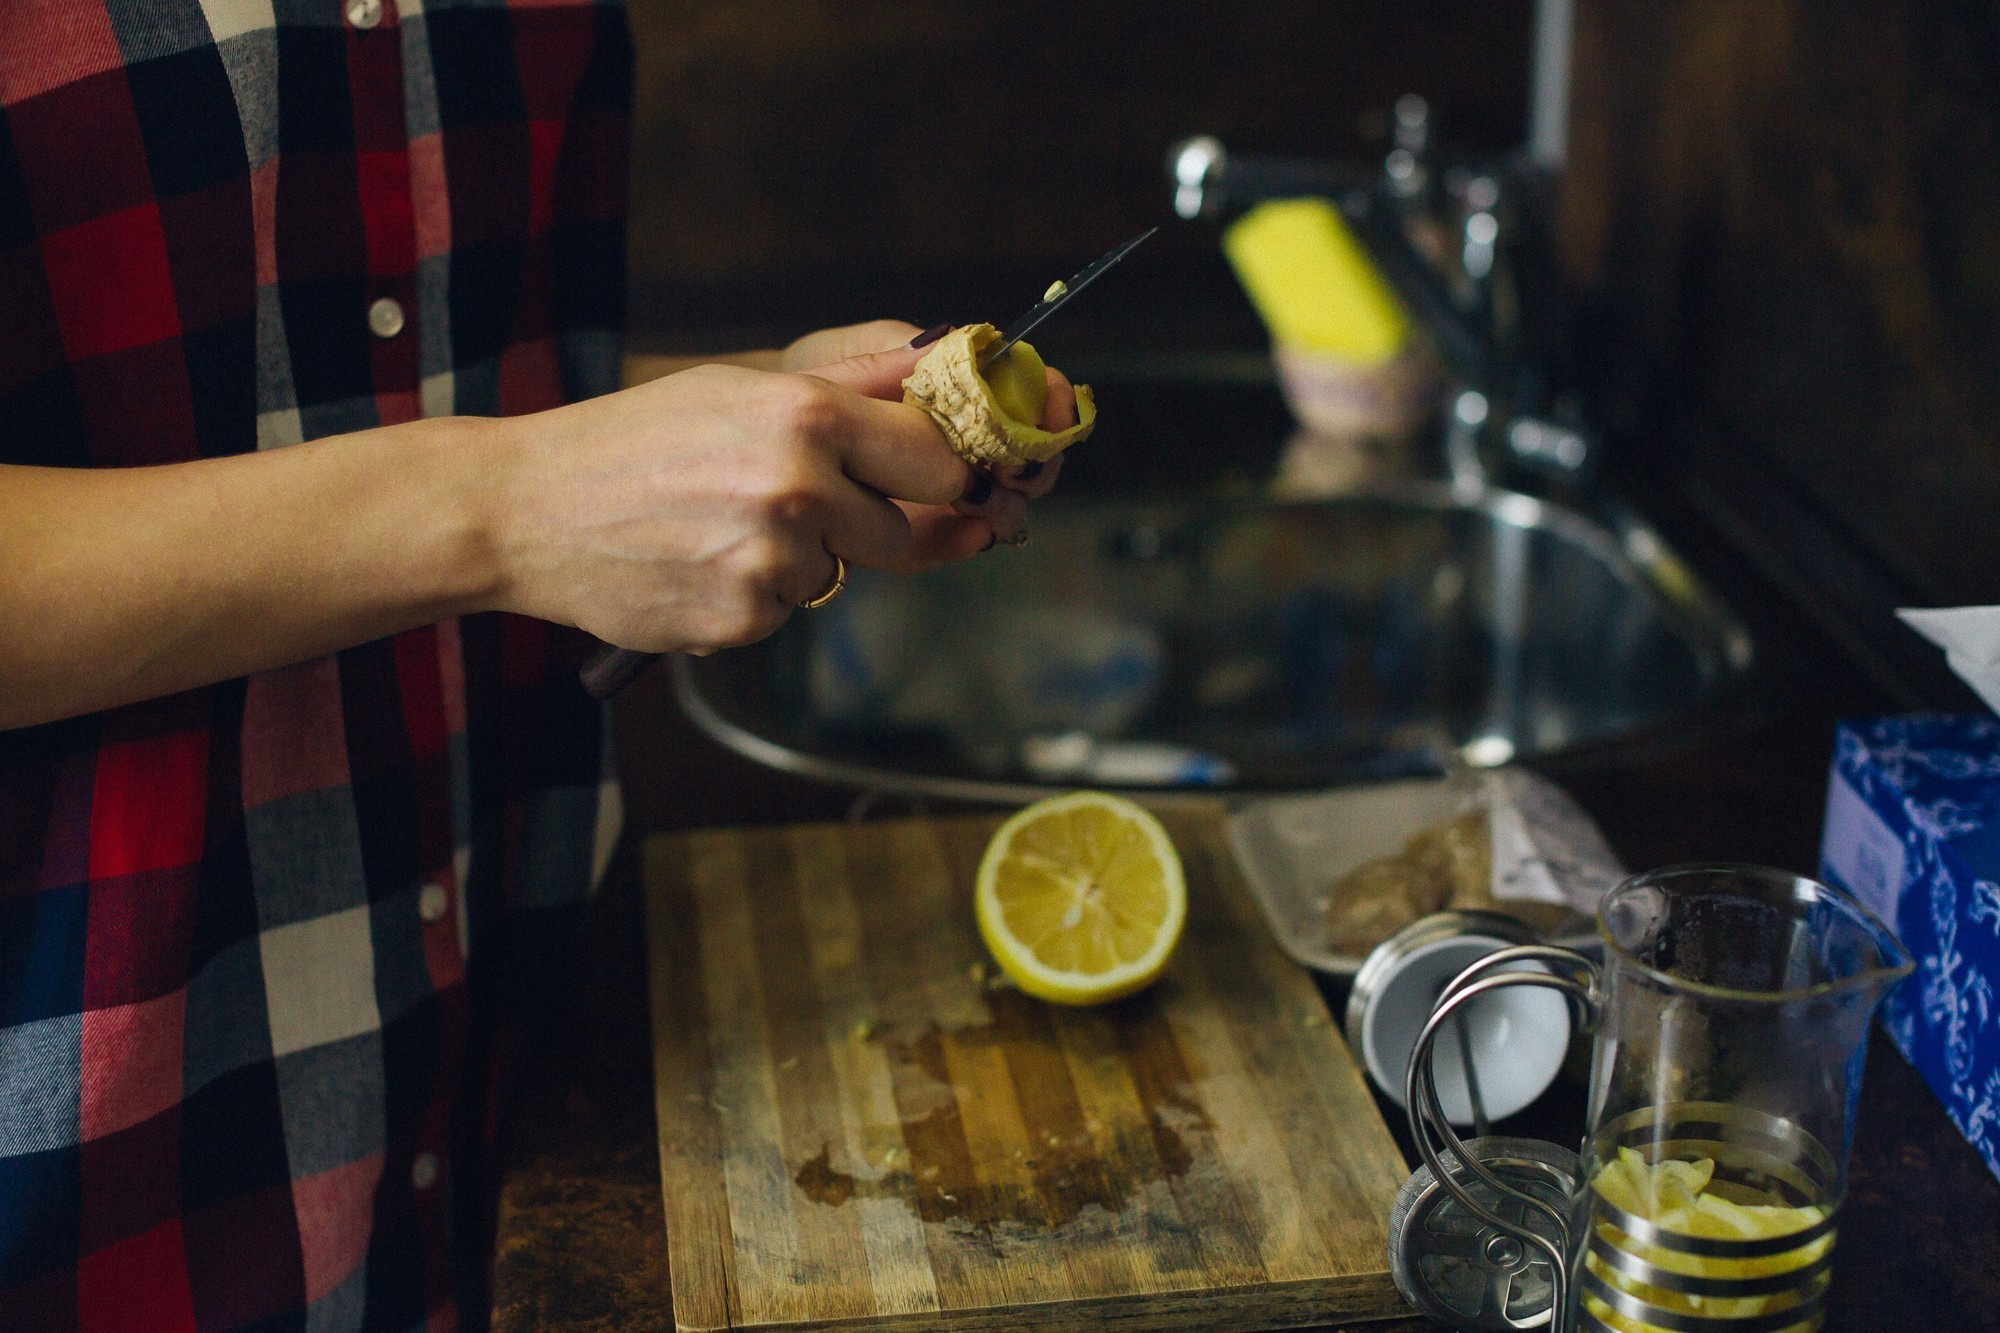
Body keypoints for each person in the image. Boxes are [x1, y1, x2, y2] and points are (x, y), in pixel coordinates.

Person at [0, 1, 1071, 1327]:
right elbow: (496, 482)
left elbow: (399, 358)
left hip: (507, 1051)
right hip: (105, 1174)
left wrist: (763, 430)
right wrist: (508, 507)